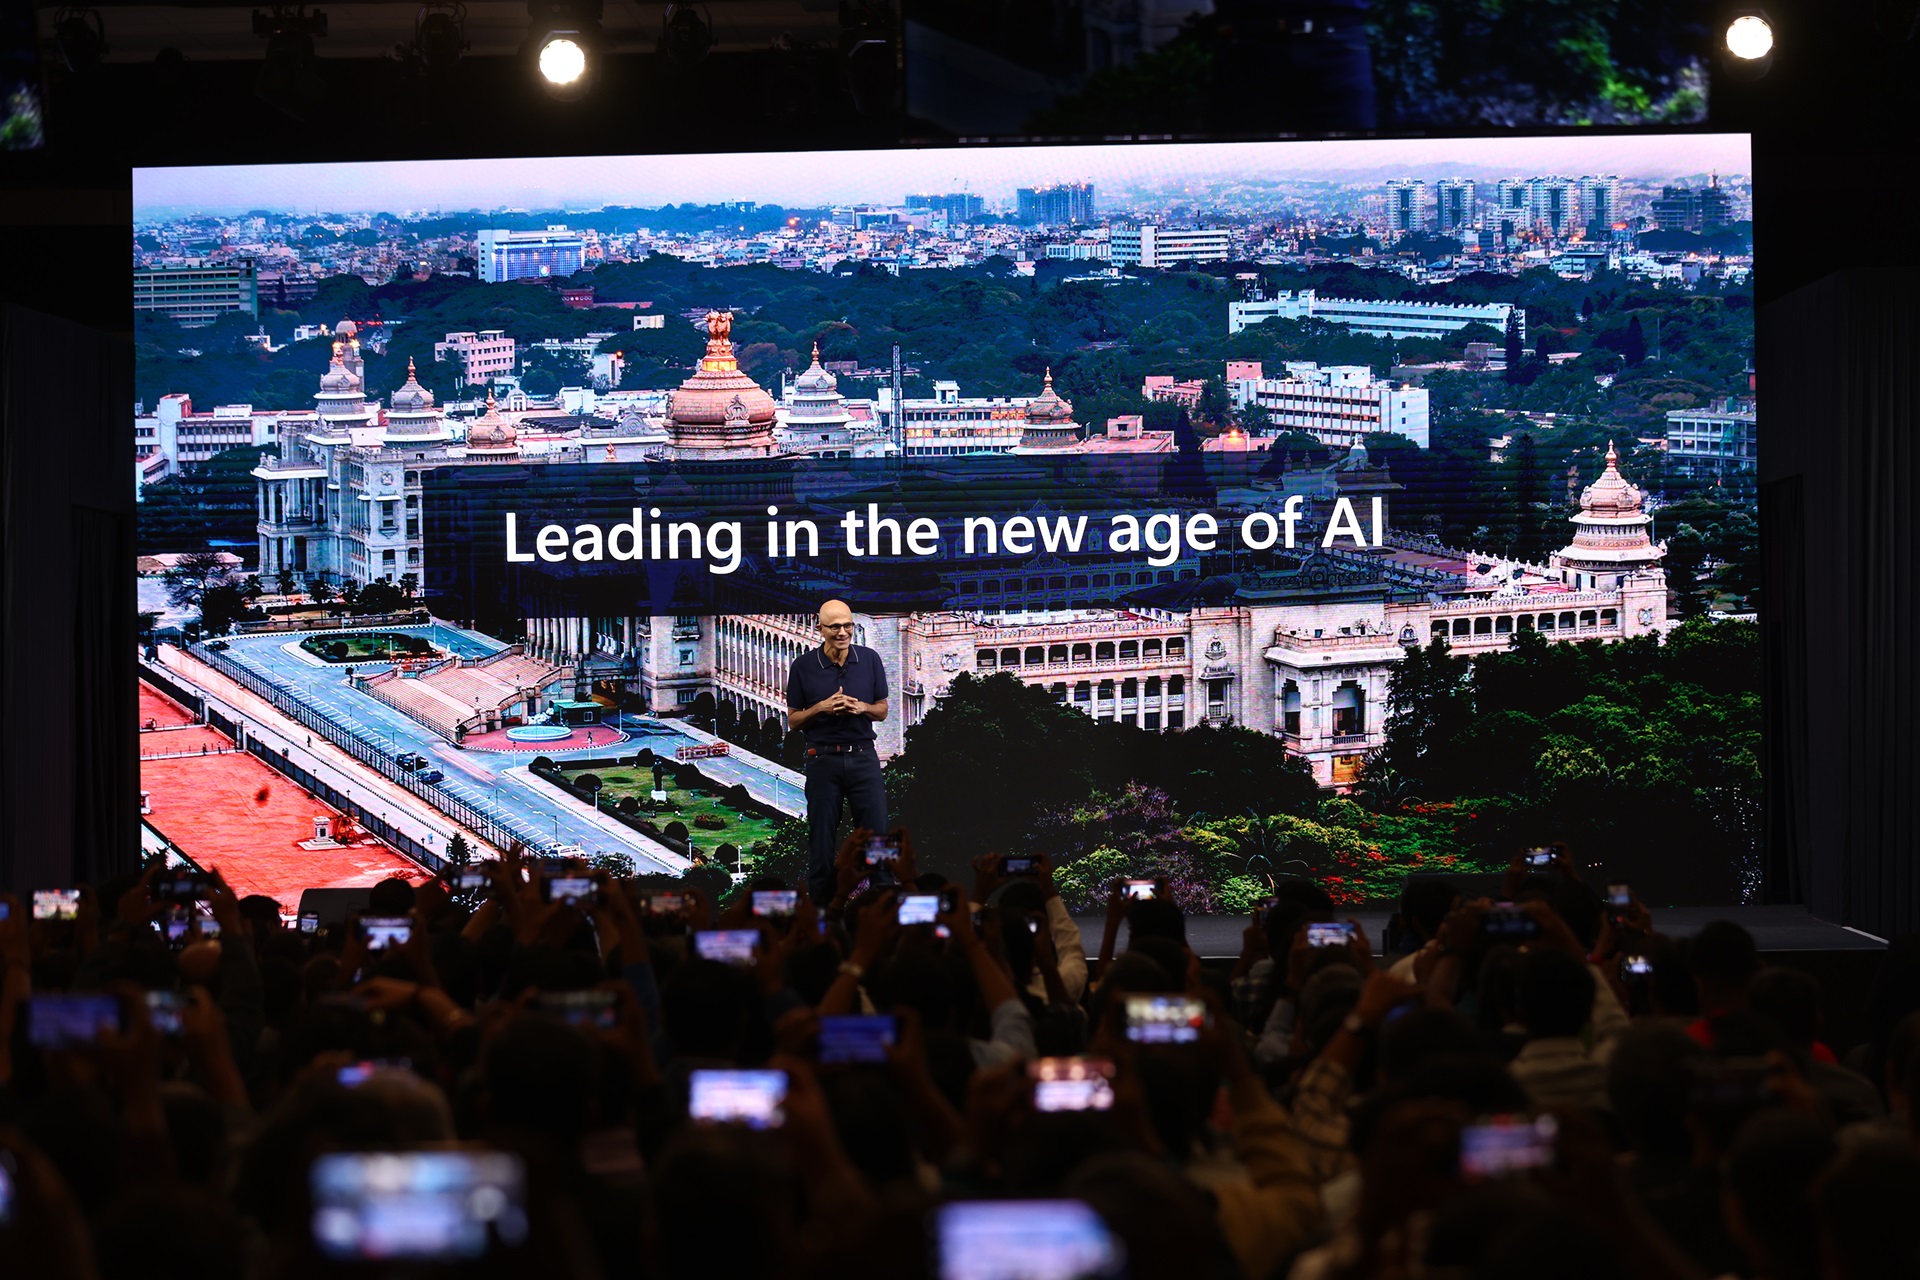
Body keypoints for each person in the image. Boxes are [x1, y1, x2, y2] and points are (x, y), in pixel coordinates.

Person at [785, 599, 887, 903]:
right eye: (834, 627)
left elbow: (881, 710)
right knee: (821, 842)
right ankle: (822, 914)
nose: (842, 632)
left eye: (848, 626)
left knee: (878, 838)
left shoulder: (869, 659)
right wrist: (821, 707)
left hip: (864, 758)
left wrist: (861, 707)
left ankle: (884, 907)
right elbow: (793, 720)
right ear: (821, 629)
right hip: (822, 760)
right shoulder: (803, 666)